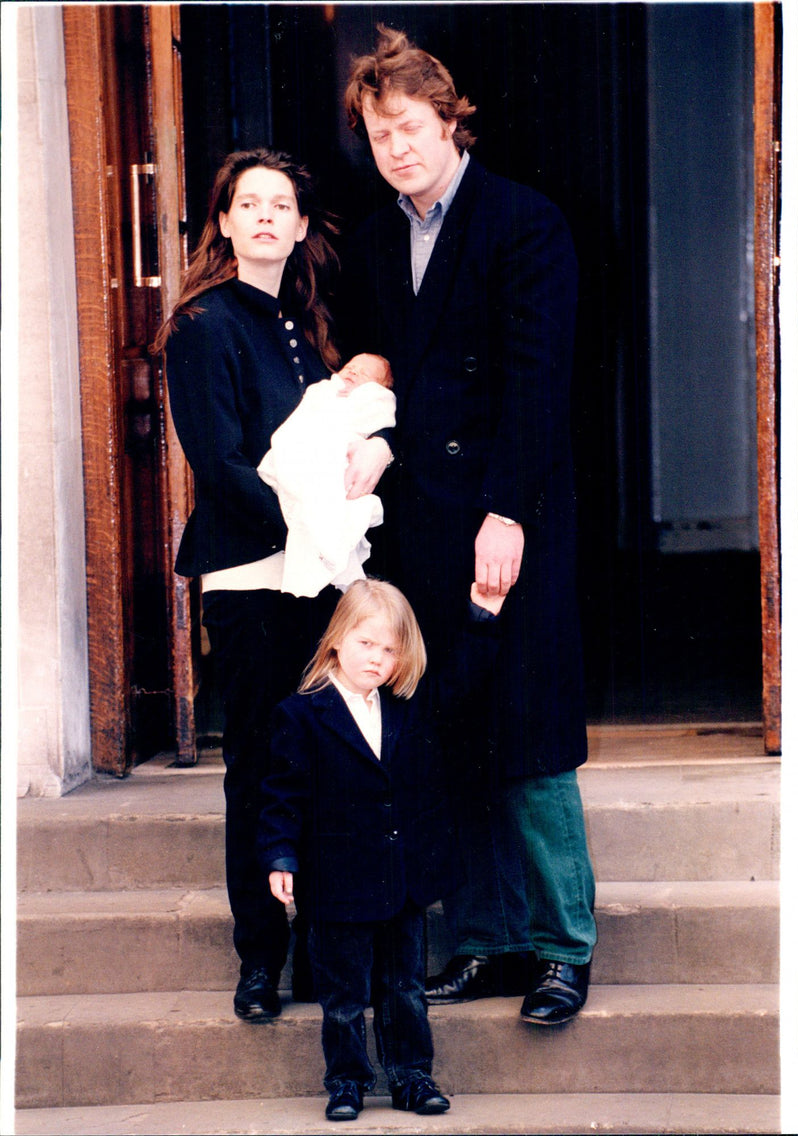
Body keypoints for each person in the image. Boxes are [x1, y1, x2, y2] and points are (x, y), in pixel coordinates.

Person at [339, 25, 597, 1026]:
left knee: (528, 736)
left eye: (407, 127)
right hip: (419, 530)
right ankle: (486, 942)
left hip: (507, 517)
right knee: (451, 735)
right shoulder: (372, 237)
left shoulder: (522, 222)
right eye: (376, 134)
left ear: (451, 122)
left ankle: (562, 949)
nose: (394, 148)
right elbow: (391, 370)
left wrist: (505, 512)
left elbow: (536, 384)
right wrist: (371, 420)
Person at [154, 148, 393, 1023]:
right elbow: (219, 465)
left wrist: (379, 449)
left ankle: (331, 953)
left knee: (330, 759)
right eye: (245, 203)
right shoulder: (202, 324)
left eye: (279, 204)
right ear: (222, 222)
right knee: (258, 764)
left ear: (299, 226)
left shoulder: (311, 325)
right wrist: (313, 531)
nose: (262, 216)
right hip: (256, 577)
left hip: (324, 575)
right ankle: (261, 957)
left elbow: (349, 434)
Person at [258, 578, 504, 1122]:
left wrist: (482, 616)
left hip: (402, 880)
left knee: (404, 987)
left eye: (389, 649)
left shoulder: (405, 708)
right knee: (344, 997)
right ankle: (346, 1081)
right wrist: (280, 856)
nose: (377, 658)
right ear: (336, 641)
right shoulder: (301, 714)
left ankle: (411, 1076)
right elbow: (282, 795)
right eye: (366, 643)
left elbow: (461, 684)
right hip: (336, 882)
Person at [257, 352, 396, 597]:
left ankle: (324, 549)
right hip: (305, 450)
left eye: (364, 374)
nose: (353, 372)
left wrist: (361, 397)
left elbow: (379, 411)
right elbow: (303, 418)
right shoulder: (322, 390)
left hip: (342, 455)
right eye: (351, 367)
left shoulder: (374, 397)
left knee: (327, 502)